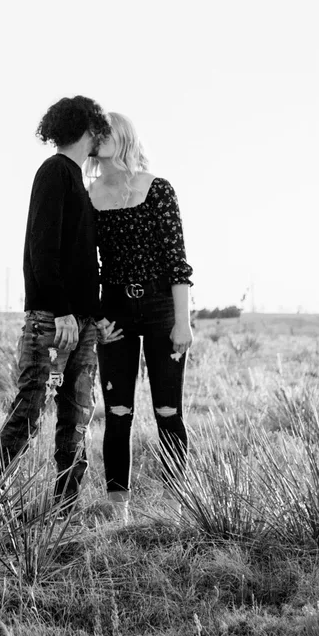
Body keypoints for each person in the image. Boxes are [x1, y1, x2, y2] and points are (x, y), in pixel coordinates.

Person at [0, 95, 111, 509]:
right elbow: (42, 248)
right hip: (53, 320)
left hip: (80, 321)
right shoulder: (55, 171)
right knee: (30, 413)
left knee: (77, 419)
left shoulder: (76, 176)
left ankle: (64, 513)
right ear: (88, 127)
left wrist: (89, 315)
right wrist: (61, 310)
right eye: (99, 127)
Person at [88, 111, 194, 524]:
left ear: (125, 136)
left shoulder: (158, 189)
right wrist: (96, 315)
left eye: (106, 131)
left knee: (168, 411)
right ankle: (120, 514)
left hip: (159, 308)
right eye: (95, 134)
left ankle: (174, 507)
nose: (99, 139)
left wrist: (182, 321)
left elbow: (177, 263)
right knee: (118, 413)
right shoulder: (89, 197)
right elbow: (85, 266)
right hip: (114, 311)